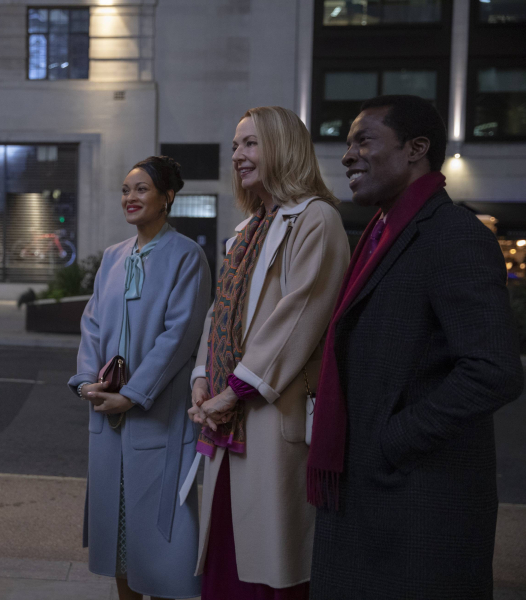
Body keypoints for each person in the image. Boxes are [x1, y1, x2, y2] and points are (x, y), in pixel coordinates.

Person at [308, 95, 523, 599]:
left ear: (415, 148)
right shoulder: (382, 233)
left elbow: (493, 370)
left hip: (417, 500)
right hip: (372, 494)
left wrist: (392, 439)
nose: (347, 155)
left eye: (364, 140)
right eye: (347, 144)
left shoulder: (453, 235)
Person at [187, 106, 350, 599]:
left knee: (270, 564)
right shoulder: (249, 228)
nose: (238, 155)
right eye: (235, 146)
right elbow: (220, 312)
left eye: (250, 143)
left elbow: (299, 315)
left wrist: (234, 389)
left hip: (269, 413)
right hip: (229, 415)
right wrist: (202, 376)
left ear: (283, 146)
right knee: (229, 554)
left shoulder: (316, 218)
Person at [69, 156, 211, 600]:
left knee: (165, 544)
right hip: (107, 417)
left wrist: (132, 394)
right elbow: (92, 324)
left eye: (141, 189)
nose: (130, 197)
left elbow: (179, 337)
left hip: (158, 414)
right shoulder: (114, 256)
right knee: (119, 541)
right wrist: (86, 380)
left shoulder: (187, 256)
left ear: (167, 197)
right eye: (125, 190)